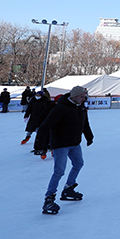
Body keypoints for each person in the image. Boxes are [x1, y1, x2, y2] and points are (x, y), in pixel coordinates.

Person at [38, 86, 94, 215]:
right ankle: (49, 198)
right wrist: (41, 146)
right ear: (74, 96)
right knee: (59, 172)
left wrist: (89, 136)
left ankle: (68, 188)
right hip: (60, 144)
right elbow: (45, 126)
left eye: (85, 97)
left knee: (78, 164)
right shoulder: (60, 109)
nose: (84, 99)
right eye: (82, 96)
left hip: (75, 143)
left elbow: (85, 123)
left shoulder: (81, 107)